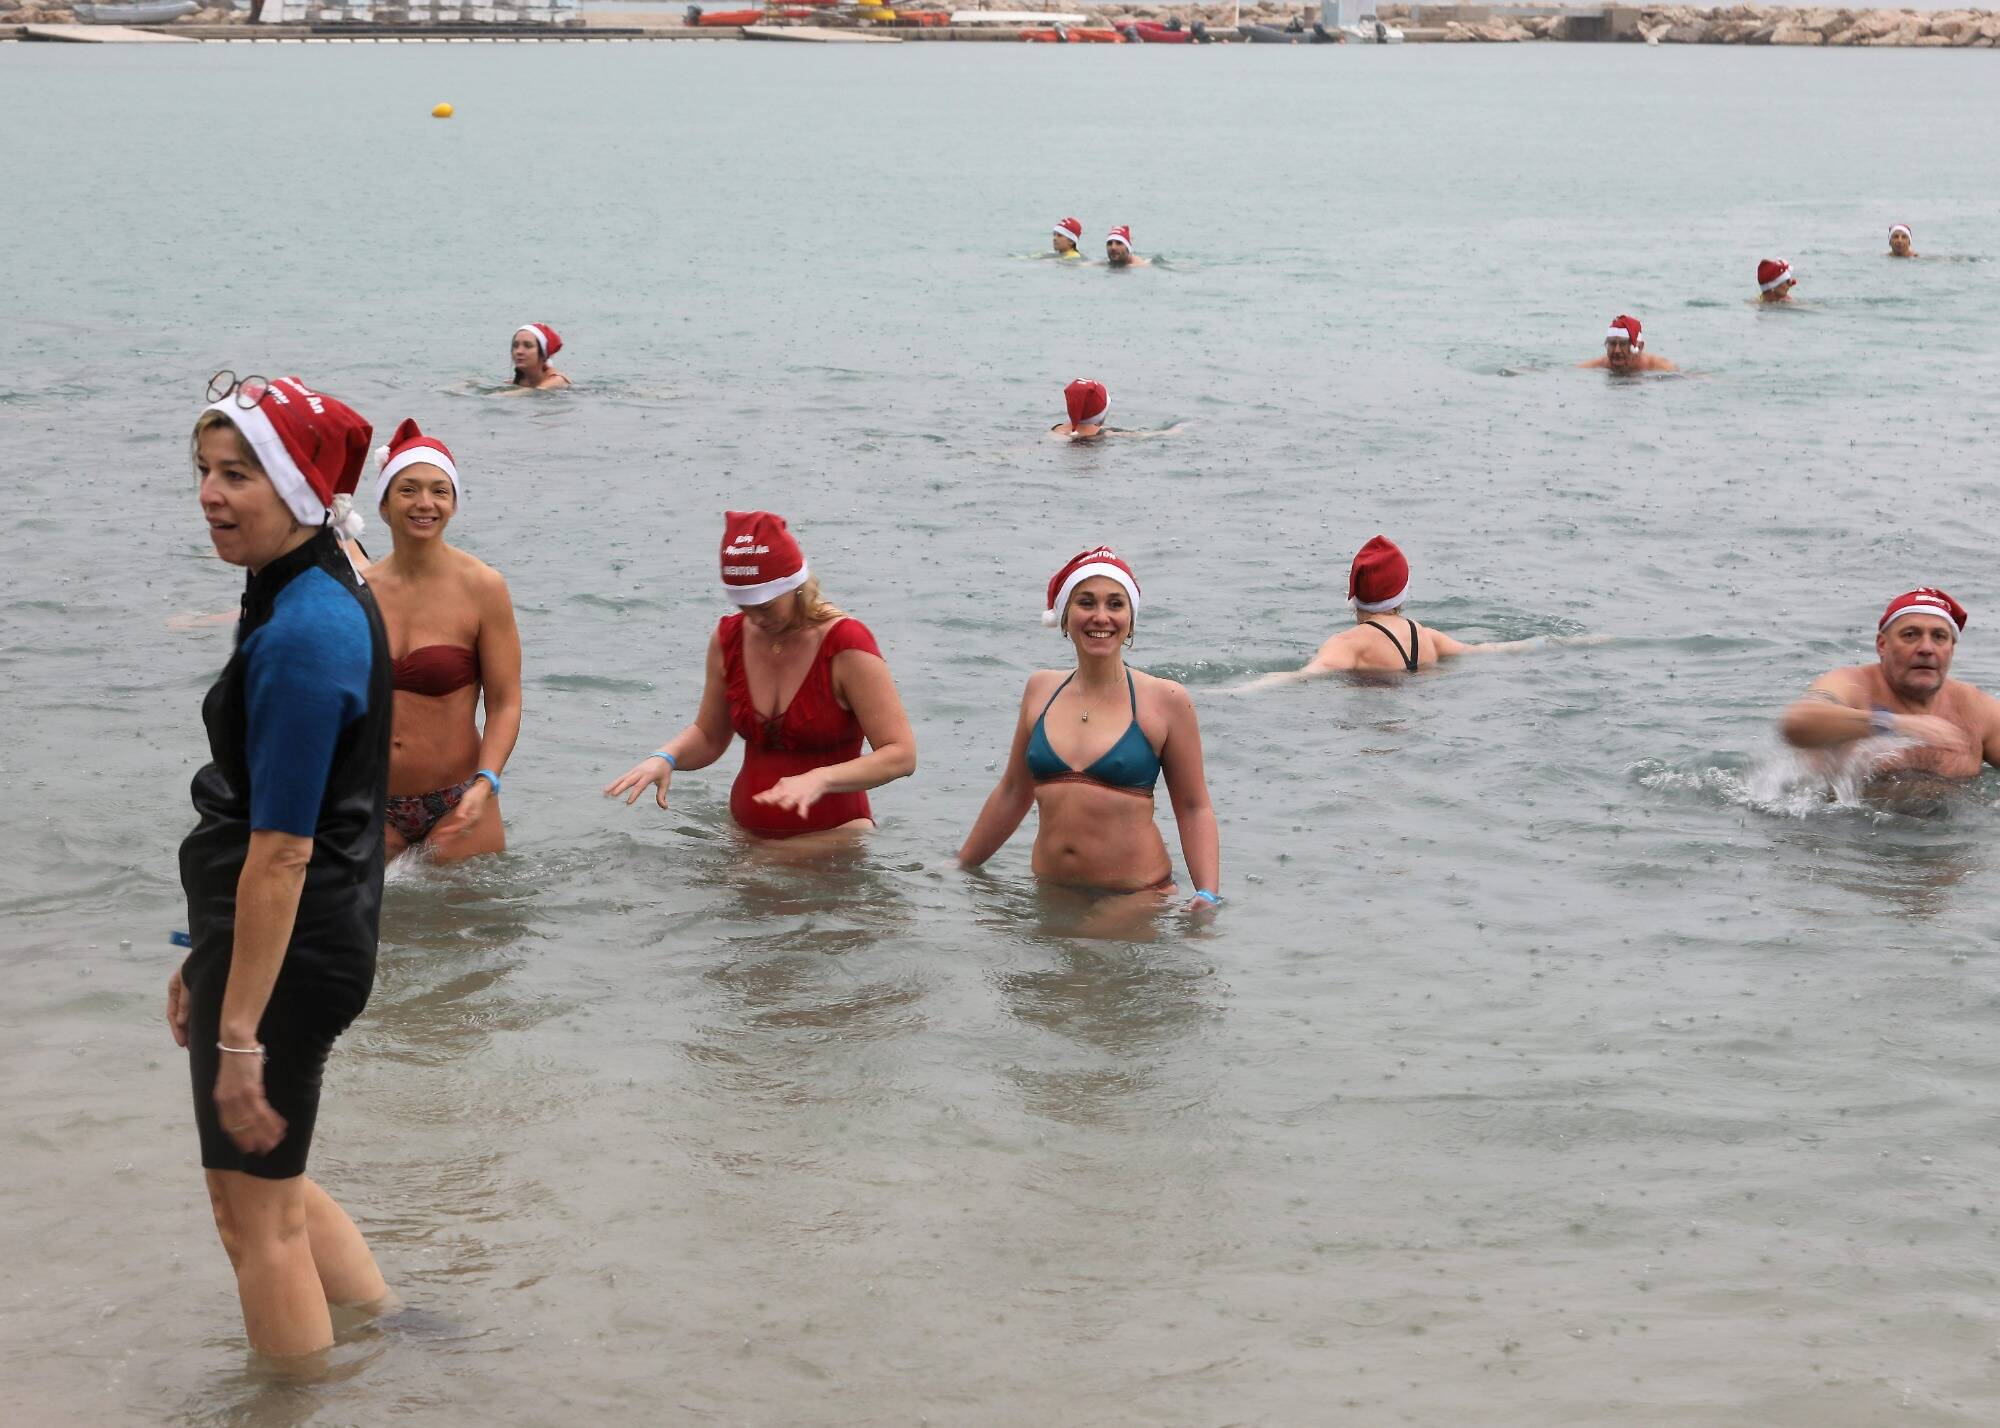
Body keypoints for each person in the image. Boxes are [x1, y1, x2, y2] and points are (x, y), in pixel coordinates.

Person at [171, 373, 392, 1357]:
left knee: (249, 1221)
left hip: (289, 948)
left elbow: (283, 847)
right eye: (204, 472)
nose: (212, 494)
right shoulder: (307, 586)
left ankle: (293, 1404)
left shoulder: (306, 630)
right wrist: (199, 953)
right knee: (277, 1178)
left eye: (238, 475)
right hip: (290, 937)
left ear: (300, 488)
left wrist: (240, 1039)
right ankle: (387, 1335)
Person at [603, 511, 917, 838]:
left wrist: (820, 778)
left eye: (764, 606)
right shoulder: (729, 640)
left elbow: (901, 754)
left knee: (741, 876)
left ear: (796, 587)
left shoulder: (845, 645)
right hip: (746, 838)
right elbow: (710, 736)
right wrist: (666, 758)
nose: (755, 618)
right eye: (744, 607)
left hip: (834, 839)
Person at [958, 547, 1220, 910]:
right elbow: (1013, 792)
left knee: (1081, 964)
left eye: (1115, 604)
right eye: (1086, 603)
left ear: (1131, 618)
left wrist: (1207, 894)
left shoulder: (1166, 700)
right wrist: (961, 866)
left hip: (1136, 896)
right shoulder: (1040, 689)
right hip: (1050, 893)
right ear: (1065, 617)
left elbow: (1193, 807)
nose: (1101, 617)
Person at [363, 420, 522, 862]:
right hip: (371, 803)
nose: (425, 503)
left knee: (469, 928)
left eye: (439, 490)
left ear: (452, 504)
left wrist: (486, 780)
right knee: (370, 928)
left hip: (460, 800)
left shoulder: (483, 587)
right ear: (383, 504)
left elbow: (505, 701)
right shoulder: (358, 591)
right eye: (408, 489)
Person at [1241, 535, 1555, 687]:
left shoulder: (1350, 644)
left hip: (1370, 726)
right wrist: (1553, 643)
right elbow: (1490, 650)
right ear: (1402, 591)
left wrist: (1235, 692)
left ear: (1354, 592)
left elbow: (1298, 679)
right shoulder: (1426, 636)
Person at [1779, 588, 2000, 782]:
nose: (1926, 648)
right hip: (1842, 826)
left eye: (1939, 637)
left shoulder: (1976, 709)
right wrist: (1891, 723)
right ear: (1882, 645)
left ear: (1951, 649)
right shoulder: (1854, 685)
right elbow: (1797, 722)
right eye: (1910, 635)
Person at [1580, 314, 1675, 374]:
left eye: (1623, 344)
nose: (1617, 350)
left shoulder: (1660, 367)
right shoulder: (1598, 366)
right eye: (1612, 344)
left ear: (1640, 347)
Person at [510, 323, 569, 390]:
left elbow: (533, 392)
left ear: (543, 354)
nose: (519, 351)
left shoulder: (557, 380)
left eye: (528, 346)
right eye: (515, 345)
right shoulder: (516, 382)